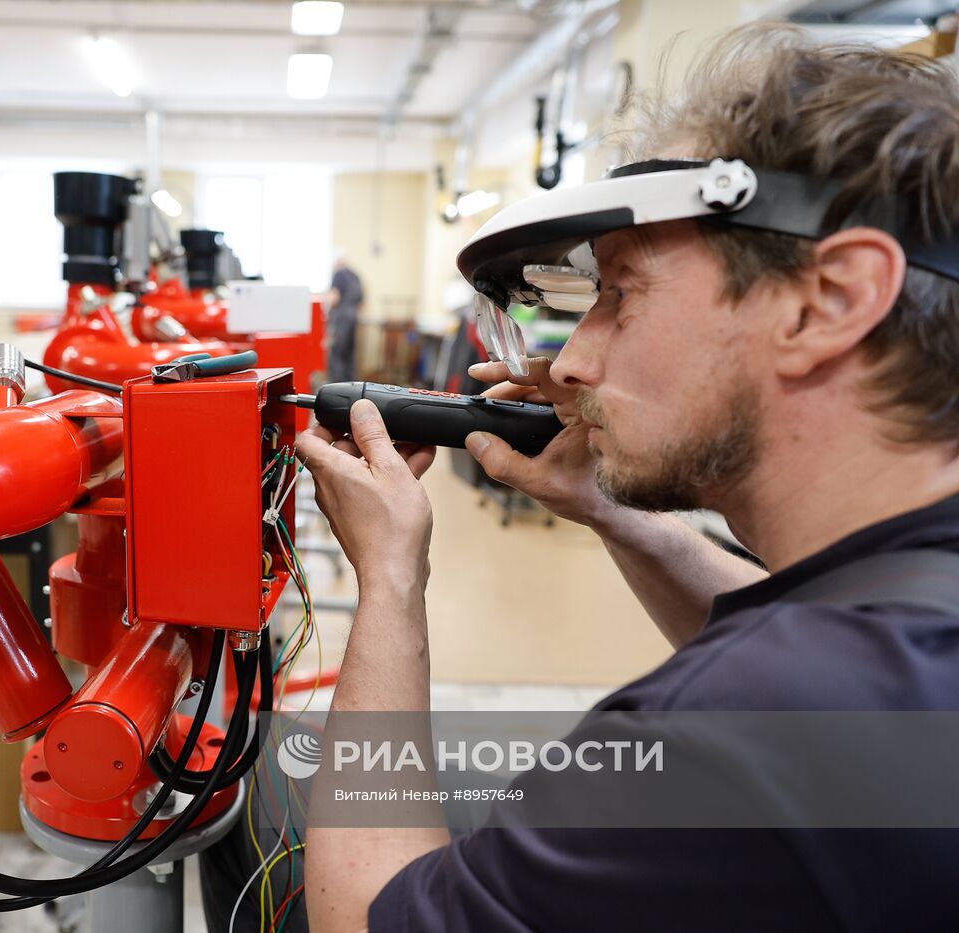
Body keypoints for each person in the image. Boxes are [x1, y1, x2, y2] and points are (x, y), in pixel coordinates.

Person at [294, 25, 959, 932]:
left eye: (621, 293)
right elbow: (801, 635)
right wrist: (608, 509)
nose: (571, 362)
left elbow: (361, 914)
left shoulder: (741, 728)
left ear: (827, 301)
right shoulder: (894, 630)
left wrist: (390, 577)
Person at [325, 256, 363, 383]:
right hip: (353, 318)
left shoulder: (338, 274)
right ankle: (350, 387)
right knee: (349, 356)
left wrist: (327, 308)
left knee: (337, 354)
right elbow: (361, 300)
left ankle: (337, 387)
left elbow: (334, 298)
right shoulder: (356, 276)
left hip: (341, 318)